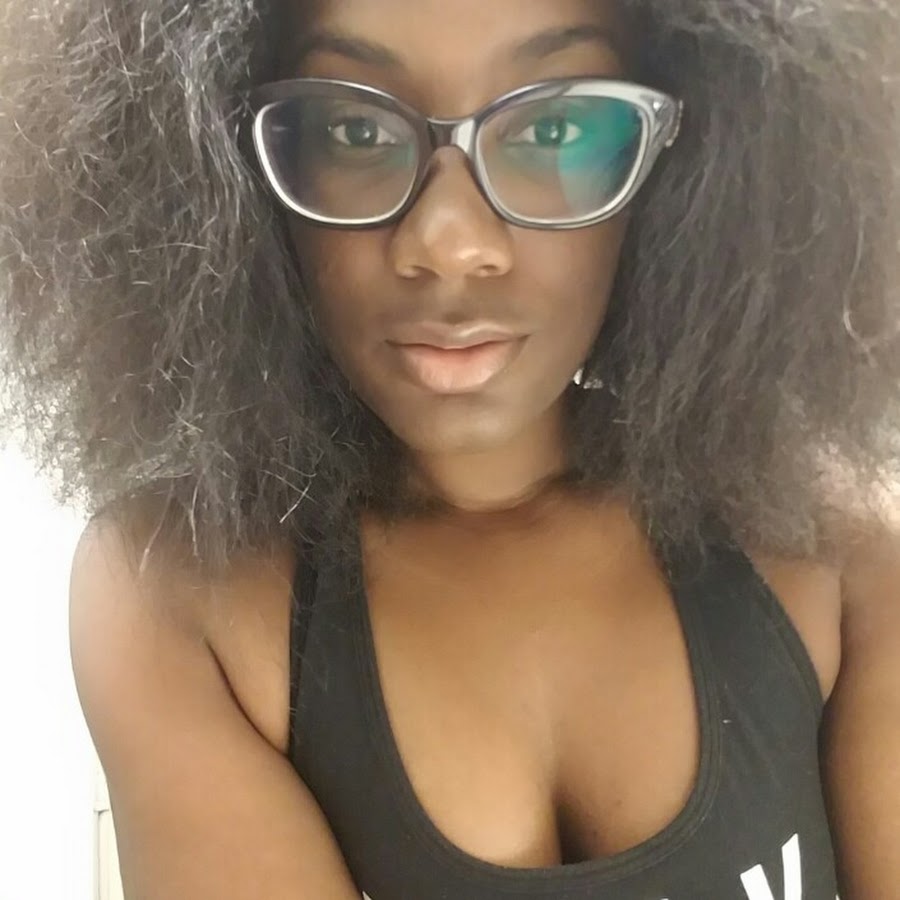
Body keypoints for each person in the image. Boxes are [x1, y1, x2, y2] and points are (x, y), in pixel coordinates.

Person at [1, 0, 899, 897]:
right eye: (354, 129)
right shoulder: (185, 590)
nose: (449, 244)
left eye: (552, 128)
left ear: (690, 157)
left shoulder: (835, 554)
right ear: (225, 162)